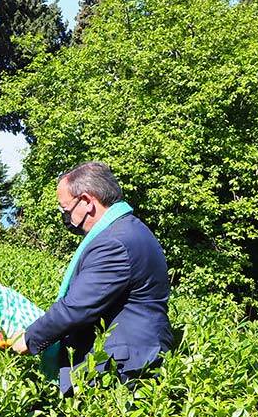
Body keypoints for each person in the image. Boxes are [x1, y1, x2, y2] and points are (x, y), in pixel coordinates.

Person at [11, 161, 173, 393]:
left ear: (87, 201)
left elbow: (76, 307)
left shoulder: (114, 242)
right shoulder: (131, 229)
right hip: (137, 357)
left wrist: (28, 339)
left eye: (66, 210)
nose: (66, 217)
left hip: (123, 369)